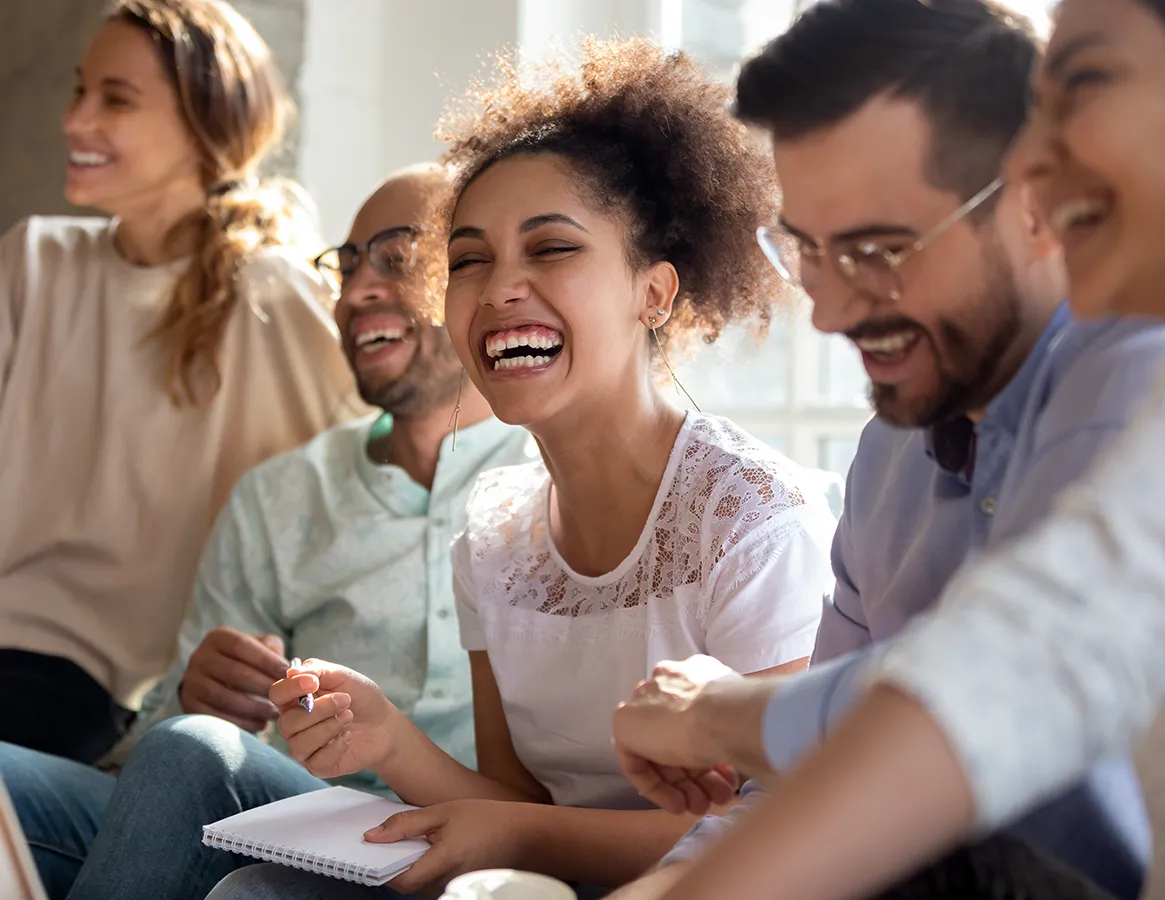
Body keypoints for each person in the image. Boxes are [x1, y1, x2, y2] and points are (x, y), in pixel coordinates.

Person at [206, 37, 837, 900]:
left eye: (551, 249)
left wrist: (511, 831)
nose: (500, 287)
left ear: (653, 292)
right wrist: (389, 741)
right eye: (469, 260)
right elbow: (521, 805)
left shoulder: (755, 518)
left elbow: (777, 829)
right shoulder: (497, 536)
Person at [606, 0, 1165, 899]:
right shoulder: (889, 457)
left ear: (1025, 212)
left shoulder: (1143, 365)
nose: (831, 311)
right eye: (806, 250)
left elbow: (1013, 671)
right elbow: (809, 780)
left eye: (880, 250)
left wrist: (719, 717)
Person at [0, 165, 535, 900]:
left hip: (453, 843)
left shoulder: (553, 479)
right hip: (274, 808)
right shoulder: (282, 494)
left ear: (475, 274)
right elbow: (167, 745)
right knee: (170, 747)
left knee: (195, 755)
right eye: (345, 268)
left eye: (395, 258)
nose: (353, 295)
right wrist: (199, 696)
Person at [0, 0, 359, 766]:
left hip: (91, 689)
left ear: (208, 121)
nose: (75, 121)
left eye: (116, 100)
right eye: (78, 92)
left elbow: (345, 496)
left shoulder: (268, 293)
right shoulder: (32, 260)